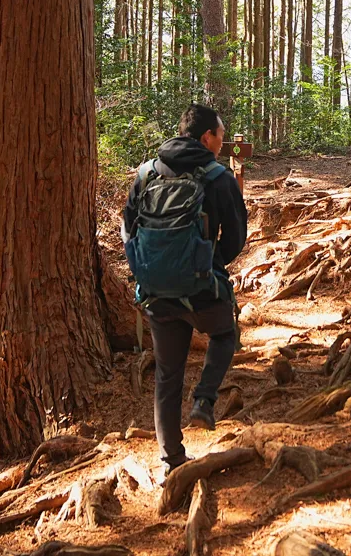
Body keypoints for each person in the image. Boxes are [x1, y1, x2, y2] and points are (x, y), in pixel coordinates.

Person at [121, 102, 248, 472]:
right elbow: (237, 236)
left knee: (167, 373)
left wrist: (144, 266)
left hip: (156, 290)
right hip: (201, 287)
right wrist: (210, 261)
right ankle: (204, 402)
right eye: (221, 136)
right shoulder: (217, 176)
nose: (223, 143)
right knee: (226, 335)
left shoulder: (147, 173)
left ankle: (171, 460)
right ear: (206, 136)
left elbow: (129, 226)